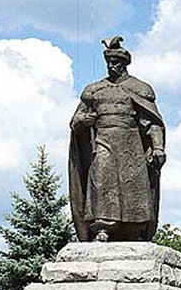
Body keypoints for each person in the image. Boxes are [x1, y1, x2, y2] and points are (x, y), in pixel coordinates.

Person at [69, 36, 166, 242]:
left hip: (131, 143)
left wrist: (158, 147)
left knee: (134, 185)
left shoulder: (140, 88)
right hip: (103, 141)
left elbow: (152, 122)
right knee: (101, 180)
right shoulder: (94, 90)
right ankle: (102, 227)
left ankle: (135, 229)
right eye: (109, 63)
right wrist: (83, 120)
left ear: (125, 63)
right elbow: (76, 120)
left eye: (116, 63)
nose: (112, 66)